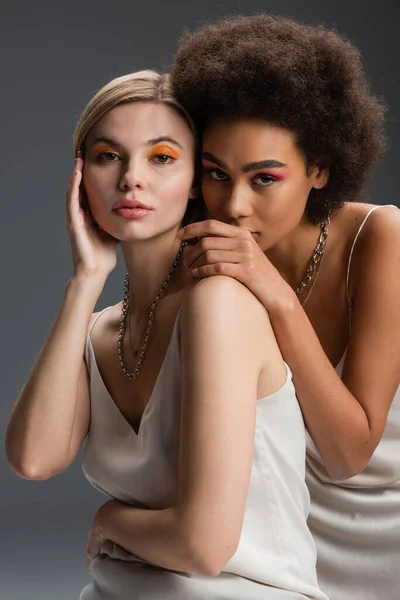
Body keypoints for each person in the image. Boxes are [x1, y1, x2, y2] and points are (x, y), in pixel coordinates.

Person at [5, 70, 328, 600]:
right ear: (81, 176)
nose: (132, 178)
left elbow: (203, 548)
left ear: (198, 179)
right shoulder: (101, 328)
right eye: (109, 156)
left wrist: (111, 518)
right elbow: (33, 459)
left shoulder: (218, 302)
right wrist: (85, 281)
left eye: (162, 157)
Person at [170, 13, 400, 600]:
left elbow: (349, 453)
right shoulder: (208, 251)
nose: (235, 206)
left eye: (264, 178)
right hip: (272, 542)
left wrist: (273, 295)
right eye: (216, 174)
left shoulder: (380, 239)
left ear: (319, 167)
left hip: (385, 539)